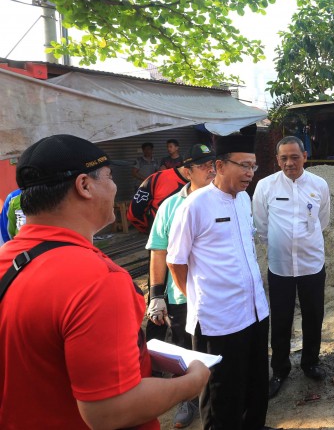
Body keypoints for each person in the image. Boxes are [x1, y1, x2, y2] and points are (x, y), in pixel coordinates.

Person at [0, 134, 208, 428]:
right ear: (84, 185)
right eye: (109, 177)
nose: (115, 186)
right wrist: (192, 381)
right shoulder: (98, 281)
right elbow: (109, 412)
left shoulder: (7, 260)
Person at [167, 126, 279, 430]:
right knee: (222, 394)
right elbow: (175, 261)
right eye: (244, 165)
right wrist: (198, 298)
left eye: (253, 166)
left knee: (255, 382)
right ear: (219, 165)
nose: (250, 173)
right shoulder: (195, 205)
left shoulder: (243, 200)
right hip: (218, 321)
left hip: (255, 312)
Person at [252, 136, 331, 399]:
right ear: (277, 160)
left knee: (313, 316)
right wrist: (280, 245)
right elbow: (261, 226)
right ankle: (280, 369)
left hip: (312, 264)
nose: (289, 163)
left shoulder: (319, 185)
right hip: (280, 267)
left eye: (295, 157)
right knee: (281, 319)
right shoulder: (265, 186)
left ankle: (310, 362)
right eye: (284, 158)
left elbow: (322, 220)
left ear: (305, 157)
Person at [146, 143, 216, 428]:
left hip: (216, 293)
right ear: (187, 172)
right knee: (186, 349)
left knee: (216, 347)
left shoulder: (224, 198)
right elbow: (159, 252)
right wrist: (156, 295)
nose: (211, 170)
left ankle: (219, 395)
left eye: (213, 164)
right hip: (182, 295)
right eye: (203, 166)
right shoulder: (170, 207)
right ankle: (188, 401)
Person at [128, 159, 190, 233]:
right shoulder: (158, 178)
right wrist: (152, 231)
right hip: (164, 236)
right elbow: (134, 213)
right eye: (201, 166)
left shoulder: (158, 177)